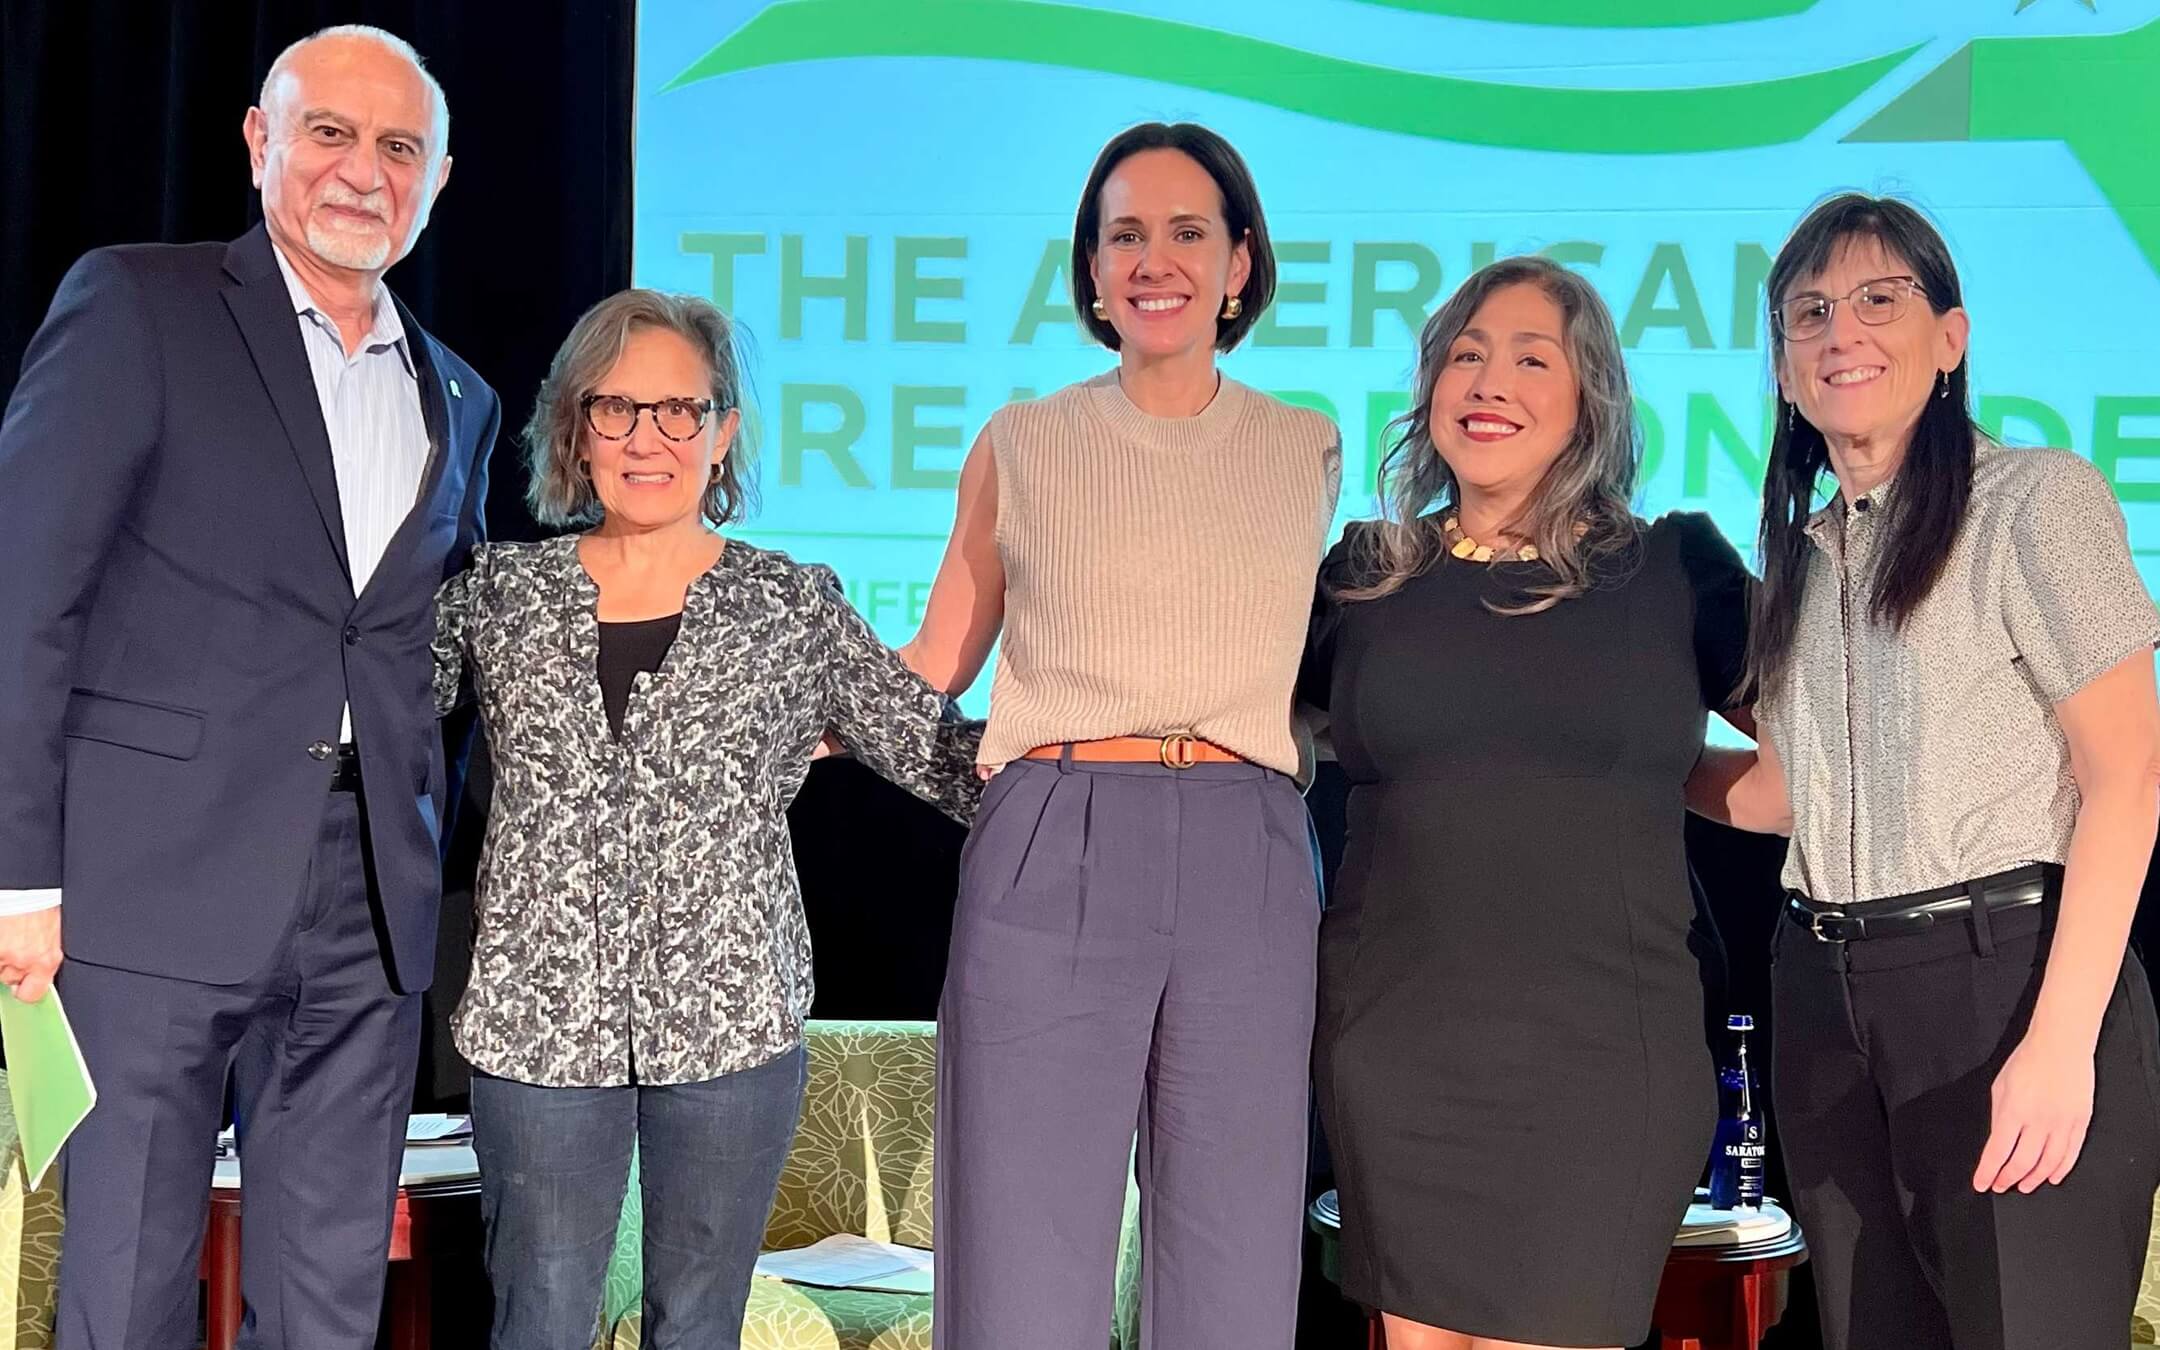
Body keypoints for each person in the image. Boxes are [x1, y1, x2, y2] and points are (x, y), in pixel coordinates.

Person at [0, 25, 497, 1349]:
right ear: (259, 140)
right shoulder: (137, 304)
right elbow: (23, 595)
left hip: (368, 913)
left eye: (401, 147)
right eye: (329, 132)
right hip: (142, 890)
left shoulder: (464, 398)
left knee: (331, 1299)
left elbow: (427, 654)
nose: (363, 170)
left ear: (438, 182)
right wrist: (20, 879)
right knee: (126, 1285)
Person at [433, 288, 982, 1350]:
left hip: (730, 1027)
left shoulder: (789, 606)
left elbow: (938, 754)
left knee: (698, 1327)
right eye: (618, 409)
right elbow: (366, 721)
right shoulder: (499, 593)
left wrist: (1111, 753)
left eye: (680, 410)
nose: (649, 438)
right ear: (574, 429)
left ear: (722, 432)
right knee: (537, 1317)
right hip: (538, 1023)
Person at [901, 122, 1341, 1349]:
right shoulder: (1022, 442)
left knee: (1235, 1249)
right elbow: (939, 664)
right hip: (1056, 827)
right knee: (1021, 1249)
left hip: (1246, 841)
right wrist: (772, 702)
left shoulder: (1304, 446)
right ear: (1091, 271)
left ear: (1241, 261)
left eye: (1189, 231)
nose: (1157, 260)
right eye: (1125, 235)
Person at [1694, 194, 2160, 1350]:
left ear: (1950, 338)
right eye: (1809, 313)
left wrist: (2060, 1045)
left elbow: (2130, 778)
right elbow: (1787, 795)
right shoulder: (1806, 559)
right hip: (1824, 999)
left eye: (1877, 299)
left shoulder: (2034, 501)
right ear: (1787, 371)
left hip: (2003, 984)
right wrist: (1625, 765)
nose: (1841, 331)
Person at [1302, 255, 1754, 1350]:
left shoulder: (1673, 568)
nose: (1488, 380)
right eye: (1465, 355)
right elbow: (1262, 754)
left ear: (1589, 400)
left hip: (1603, 1058)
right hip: (1398, 1047)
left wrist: (1644, 778)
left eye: (1529, 358)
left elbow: (1815, 767)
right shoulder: (1364, 572)